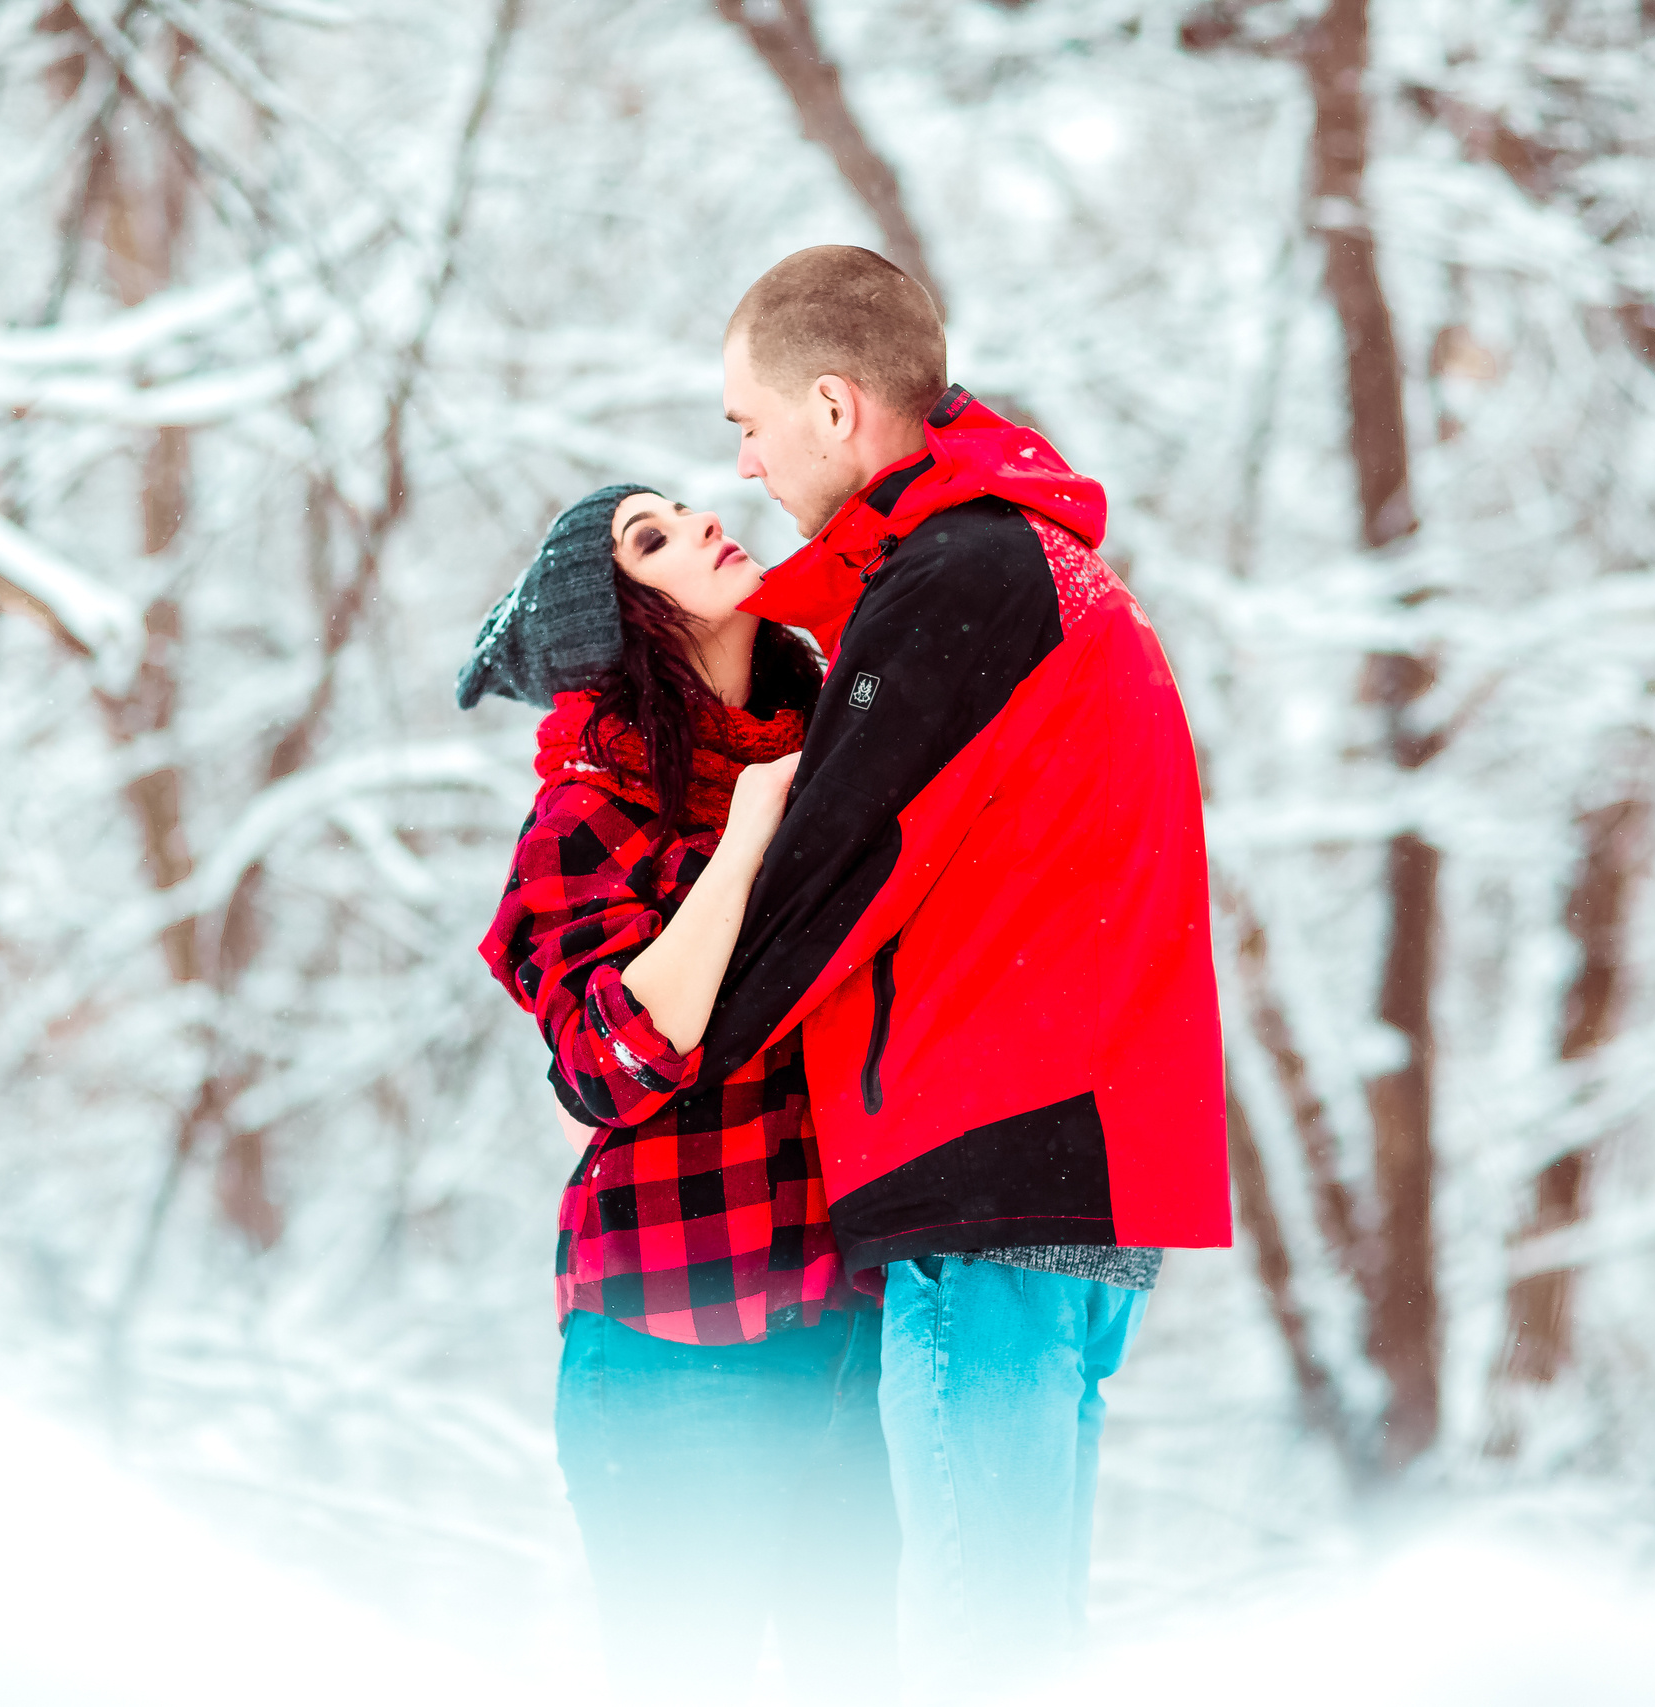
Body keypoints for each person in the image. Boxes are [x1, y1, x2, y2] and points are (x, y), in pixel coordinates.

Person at [696, 246, 1234, 1698]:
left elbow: (832, 863)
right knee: (1016, 1628)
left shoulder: (964, 574)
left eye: (746, 421)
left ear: (829, 403)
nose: (738, 461)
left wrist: (639, 1058)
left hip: (991, 1169)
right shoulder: (1013, 564)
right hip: (1064, 1161)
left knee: (972, 1642)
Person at [459, 484, 897, 1706]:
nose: (700, 522)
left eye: (682, 507)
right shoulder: (583, 816)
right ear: (622, 618)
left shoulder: (842, 755)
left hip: (856, 1323)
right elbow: (608, 1066)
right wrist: (753, 830)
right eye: (648, 539)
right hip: (674, 1346)